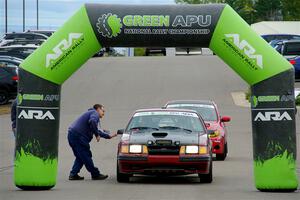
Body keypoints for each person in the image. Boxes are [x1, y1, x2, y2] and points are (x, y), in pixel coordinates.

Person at [68, 104, 117, 180]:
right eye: (103, 111)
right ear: (98, 109)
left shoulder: (90, 114)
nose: (103, 113)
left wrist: (108, 136)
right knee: (86, 155)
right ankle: (95, 174)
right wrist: (97, 135)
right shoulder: (94, 113)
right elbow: (93, 122)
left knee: (80, 156)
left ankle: (73, 174)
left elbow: (95, 129)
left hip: (72, 135)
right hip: (79, 137)